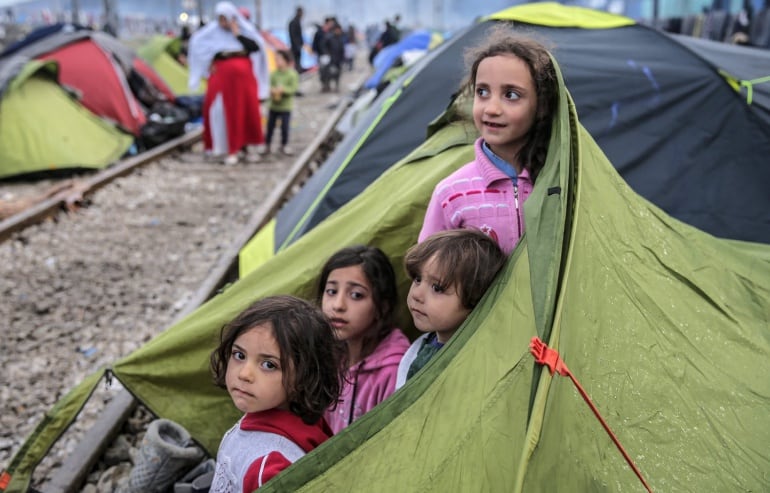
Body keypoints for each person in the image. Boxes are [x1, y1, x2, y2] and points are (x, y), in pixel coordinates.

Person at [418, 28, 558, 255]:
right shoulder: (450, 194)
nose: (491, 109)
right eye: (482, 92)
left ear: (542, 105)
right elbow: (426, 275)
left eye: (511, 95)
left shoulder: (559, 184)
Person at [209, 295, 344, 491]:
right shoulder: (270, 418)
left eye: (268, 365)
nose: (244, 374)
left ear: (305, 377)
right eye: (239, 355)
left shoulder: (270, 468)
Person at [395, 229, 506, 389]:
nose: (417, 294)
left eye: (437, 288)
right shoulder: (419, 348)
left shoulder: (473, 366)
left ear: (475, 301)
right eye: (418, 279)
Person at [317, 245, 410, 434]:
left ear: (382, 306)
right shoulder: (330, 355)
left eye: (356, 295)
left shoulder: (393, 372)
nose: (338, 305)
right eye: (332, 291)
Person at [187, 1, 269, 165]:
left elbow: (256, 48)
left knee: (244, 110)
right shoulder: (210, 33)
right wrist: (207, 63)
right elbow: (197, 46)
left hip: (243, 79)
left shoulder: (245, 32)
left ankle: (245, 146)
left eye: (226, 19)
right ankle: (223, 147)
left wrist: (236, 33)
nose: (223, 23)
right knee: (219, 110)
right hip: (222, 79)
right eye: (221, 19)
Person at [264, 49, 299, 156]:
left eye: (279, 59)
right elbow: (268, 86)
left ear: (286, 60)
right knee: (270, 127)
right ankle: (267, 145)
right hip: (273, 106)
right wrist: (272, 90)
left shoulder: (292, 74)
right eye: (276, 59)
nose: (277, 61)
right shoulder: (273, 74)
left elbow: (293, 89)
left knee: (285, 127)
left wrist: (283, 90)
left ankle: (284, 145)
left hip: (285, 106)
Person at [288, 6, 305, 72]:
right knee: (295, 59)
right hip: (295, 46)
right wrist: (297, 45)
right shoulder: (294, 22)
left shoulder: (297, 21)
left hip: (298, 45)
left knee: (298, 60)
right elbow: (293, 35)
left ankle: (298, 69)